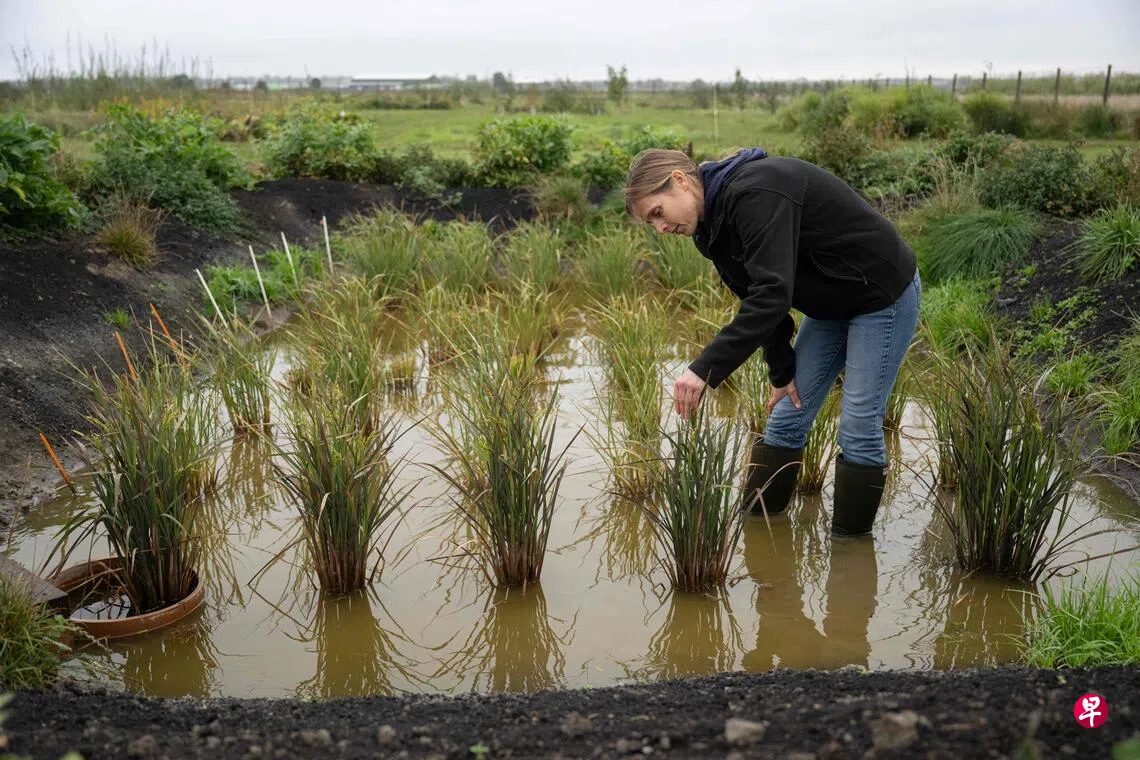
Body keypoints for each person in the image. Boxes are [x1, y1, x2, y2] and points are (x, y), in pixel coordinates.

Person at [624, 148, 920, 536]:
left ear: (680, 180)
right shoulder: (709, 232)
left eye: (658, 213)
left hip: (881, 294)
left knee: (858, 426)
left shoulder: (757, 192)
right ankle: (758, 535)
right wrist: (782, 373)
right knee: (786, 417)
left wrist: (703, 370)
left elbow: (772, 295)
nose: (661, 228)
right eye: (652, 223)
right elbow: (758, 297)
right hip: (830, 306)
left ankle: (849, 552)